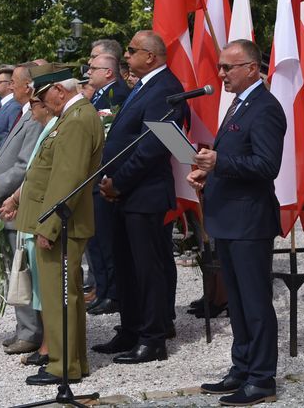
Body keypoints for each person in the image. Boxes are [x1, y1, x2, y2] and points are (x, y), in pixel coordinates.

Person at [187, 39, 285, 406]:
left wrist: (220, 164)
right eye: (220, 66)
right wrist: (208, 173)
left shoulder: (265, 108)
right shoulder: (239, 104)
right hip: (228, 218)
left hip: (249, 222)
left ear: (252, 68)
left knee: (255, 303)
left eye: (228, 67)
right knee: (238, 304)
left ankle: (261, 378)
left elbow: (267, 165)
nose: (221, 74)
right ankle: (242, 368)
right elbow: (233, 156)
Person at [93, 30, 186, 364]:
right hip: (123, 194)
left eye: (131, 50)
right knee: (126, 266)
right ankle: (131, 329)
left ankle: (153, 337)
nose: (126, 56)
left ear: (150, 56)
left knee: (148, 269)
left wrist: (118, 182)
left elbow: (152, 147)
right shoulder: (144, 85)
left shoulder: (166, 89)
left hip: (144, 194)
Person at [12, 71, 104, 385]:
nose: (41, 103)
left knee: (59, 296)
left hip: (63, 225)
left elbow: (67, 180)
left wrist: (48, 227)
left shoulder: (76, 120)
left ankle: (62, 365)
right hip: (62, 223)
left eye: (42, 96)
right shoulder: (74, 116)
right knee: (65, 295)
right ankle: (72, 362)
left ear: (58, 91)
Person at [0, 63, 45, 357]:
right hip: (9, 200)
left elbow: (24, 165)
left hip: (18, 202)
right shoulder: (25, 114)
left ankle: (31, 332)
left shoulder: (34, 118)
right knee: (15, 266)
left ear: (27, 87)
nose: (12, 87)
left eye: (15, 83)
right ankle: (25, 328)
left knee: (23, 268)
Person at [0, 93, 58, 367]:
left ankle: (47, 343)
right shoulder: (41, 123)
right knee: (28, 271)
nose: (32, 107)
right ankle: (42, 340)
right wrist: (14, 198)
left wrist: (8, 194)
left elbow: (31, 169)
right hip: (25, 203)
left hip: (40, 212)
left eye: (36, 102)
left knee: (40, 277)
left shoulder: (52, 126)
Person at [84, 51, 130, 316]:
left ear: (108, 72)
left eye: (93, 68)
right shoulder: (100, 95)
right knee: (96, 240)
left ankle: (113, 292)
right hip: (94, 175)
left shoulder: (117, 95)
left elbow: (108, 135)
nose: (88, 72)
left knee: (106, 239)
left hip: (104, 175)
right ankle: (102, 289)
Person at [0, 65, 21, 161]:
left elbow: (13, 137)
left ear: (10, 84)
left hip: (3, 159)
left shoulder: (15, 106)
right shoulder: (1, 103)